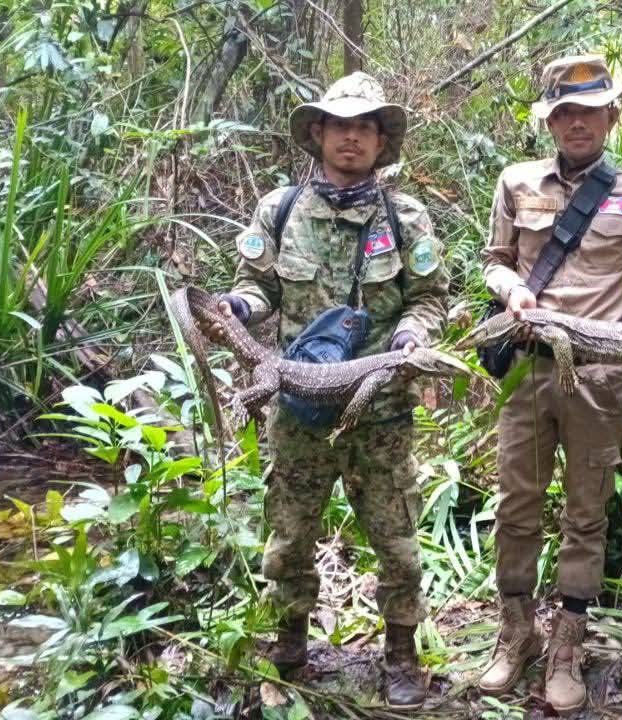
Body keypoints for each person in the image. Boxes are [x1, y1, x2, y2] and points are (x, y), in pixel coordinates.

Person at [208, 72, 448, 708]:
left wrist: (410, 337)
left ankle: (400, 654)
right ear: (318, 133)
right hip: (300, 408)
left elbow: (428, 300)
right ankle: (287, 645)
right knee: (288, 534)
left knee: (396, 539)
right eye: (340, 125)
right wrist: (235, 305)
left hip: (382, 412)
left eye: (363, 127)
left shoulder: (404, 216)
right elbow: (260, 287)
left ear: (379, 140)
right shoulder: (279, 210)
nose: (350, 137)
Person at [477, 55, 622, 714]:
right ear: (549, 119)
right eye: (564, 112)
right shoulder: (517, 181)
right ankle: (515, 633)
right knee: (516, 507)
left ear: (611, 115)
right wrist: (512, 286)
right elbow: (494, 262)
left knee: (585, 513)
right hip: (527, 365)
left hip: (601, 376)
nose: (577, 123)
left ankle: (567, 643)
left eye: (590, 110)